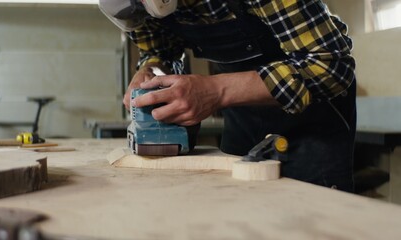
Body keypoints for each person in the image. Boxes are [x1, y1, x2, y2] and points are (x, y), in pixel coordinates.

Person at [98, 0, 357, 192]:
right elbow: (160, 51)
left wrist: (215, 90)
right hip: (242, 120)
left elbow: (331, 65)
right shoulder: (134, 7)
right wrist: (152, 71)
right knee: (236, 212)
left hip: (312, 126)